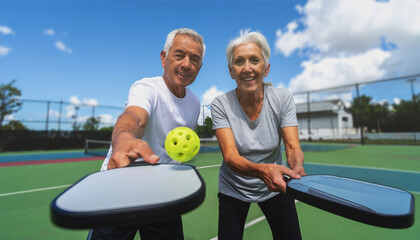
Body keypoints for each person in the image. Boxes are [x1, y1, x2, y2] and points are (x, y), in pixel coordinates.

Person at [89, 28, 205, 240]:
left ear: (200, 67)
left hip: (162, 195)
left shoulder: (195, 103)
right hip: (118, 191)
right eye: (179, 55)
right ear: (164, 57)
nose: (186, 64)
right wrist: (125, 139)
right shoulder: (146, 88)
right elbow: (134, 116)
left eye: (194, 59)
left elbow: (176, 151)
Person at [211, 29, 306, 240]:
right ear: (231, 71)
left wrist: (296, 169)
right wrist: (264, 171)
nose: (247, 68)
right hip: (233, 188)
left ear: (266, 68)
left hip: (275, 186)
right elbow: (231, 156)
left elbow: (292, 147)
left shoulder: (282, 98)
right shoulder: (220, 104)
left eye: (254, 60)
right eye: (239, 62)